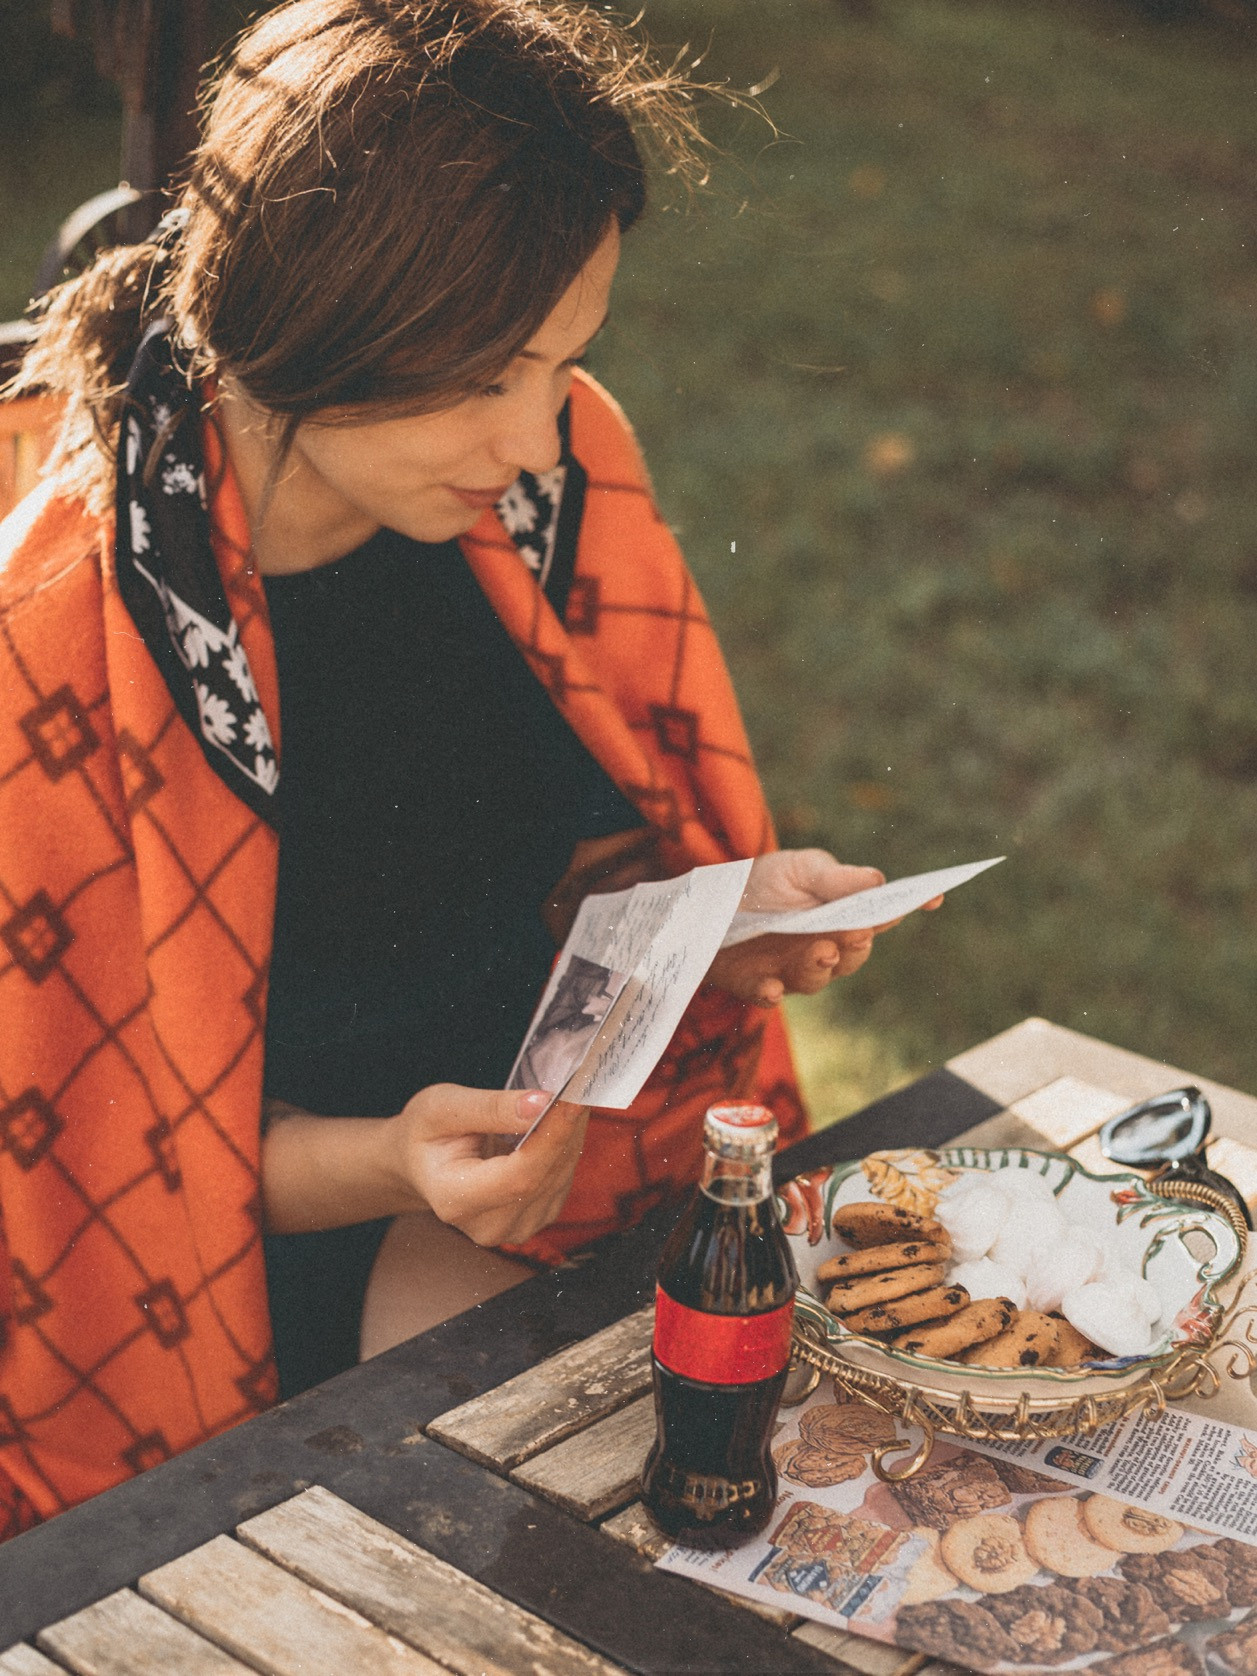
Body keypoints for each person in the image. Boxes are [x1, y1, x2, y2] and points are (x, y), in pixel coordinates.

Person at [0, 0, 916, 1537]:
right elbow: (76, 1152)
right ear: (318, 312)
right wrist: (392, 1170)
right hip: (238, 1281)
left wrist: (716, 925)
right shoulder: (59, 642)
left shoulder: (534, 495)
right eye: (493, 372)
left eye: (564, 362)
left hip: (525, 1191)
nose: (543, 431)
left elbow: (568, 862)